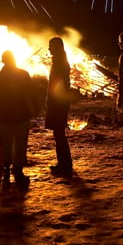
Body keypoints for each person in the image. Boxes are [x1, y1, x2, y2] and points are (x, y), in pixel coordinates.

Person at [0, 50, 32, 189]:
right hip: (20, 116)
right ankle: (18, 172)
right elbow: (30, 94)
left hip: (5, 118)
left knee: (6, 145)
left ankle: (7, 171)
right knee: (20, 145)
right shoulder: (23, 75)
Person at [45, 36, 73, 177]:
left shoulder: (59, 63)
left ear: (56, 47)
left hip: (58, 104)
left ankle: (65, 164)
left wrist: (52, 101)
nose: (49, 49)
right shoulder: (61, 61)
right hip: (59, 103)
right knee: (59, 134)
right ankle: (63, 163)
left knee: (59, 134)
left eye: (51, 46)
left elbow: (57, 85)